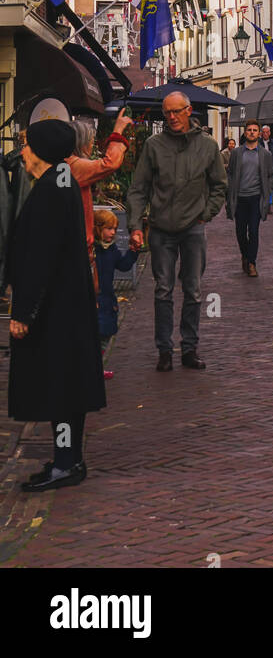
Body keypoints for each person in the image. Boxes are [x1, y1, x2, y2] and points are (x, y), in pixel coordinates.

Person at [8, 120, 105, 492]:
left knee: (59, 387)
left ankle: (67, 463)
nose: (25, 155)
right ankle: (68, 458)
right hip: (68, 303)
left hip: (55, 309)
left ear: (42, 150)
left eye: (29, 147)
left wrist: (23, 311)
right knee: (67, 385)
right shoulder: (62, 180)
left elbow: (40, 256)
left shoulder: (51, 188)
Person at [127, 92, 227, 371]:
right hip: (161, 229)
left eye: (176, 112)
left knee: (194, 291)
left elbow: (220, 185)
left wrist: (204, 216)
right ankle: (164, 350)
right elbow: (138, 189)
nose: (171, 117)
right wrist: (135, 225)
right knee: (162, 290)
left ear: (188, 110)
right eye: (166, 112)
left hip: (193, 228)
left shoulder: (207, 146)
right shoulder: (153, 145)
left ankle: (189, 348)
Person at [69, 112, 134, 288]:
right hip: (76, 250)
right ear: (81, 143)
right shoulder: (73, 165)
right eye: (90, 140)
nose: (92, 144)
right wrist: (118, 131)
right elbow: (109, 163)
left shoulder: (66, 165)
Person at [226, 119, 273, 277]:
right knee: (240, 232)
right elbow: (231, 174)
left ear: (259, 134)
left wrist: (267, 191)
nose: (252, 132)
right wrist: (230, 194)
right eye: (249, 130)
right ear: (245, 133)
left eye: (254, 130)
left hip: (255, 198)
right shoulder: (237, 153)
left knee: (253, 231)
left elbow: (269, 175)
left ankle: (252, 263)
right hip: (240, 198)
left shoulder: (265, 154)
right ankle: (245, 255)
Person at [93, 208, 139, 346]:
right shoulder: (91, 250)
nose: (113, 232)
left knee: (105, 335)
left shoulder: (111, 249)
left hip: (107, 299)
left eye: (115, 228)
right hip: (94, 299)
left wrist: (133, 251)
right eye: (109, 228)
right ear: (98, 228)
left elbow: (123, 265)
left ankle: (99, 366)